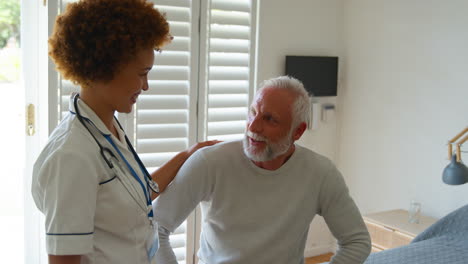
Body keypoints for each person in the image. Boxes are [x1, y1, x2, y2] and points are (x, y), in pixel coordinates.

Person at [31, 1, 218, 263]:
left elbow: (137, 193)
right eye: (142, 74)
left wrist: (189, 154)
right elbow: (64, 259)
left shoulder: (107, 127)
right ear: (105, 67)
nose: (146, 86)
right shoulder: (72, 156)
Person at [153, 76, 372, 264]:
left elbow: (357, 241)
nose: (253, 127)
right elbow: (156, 227)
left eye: (270, 119)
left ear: (298, 131)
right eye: (253, 112)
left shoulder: (320, 173)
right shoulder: (209, 162)